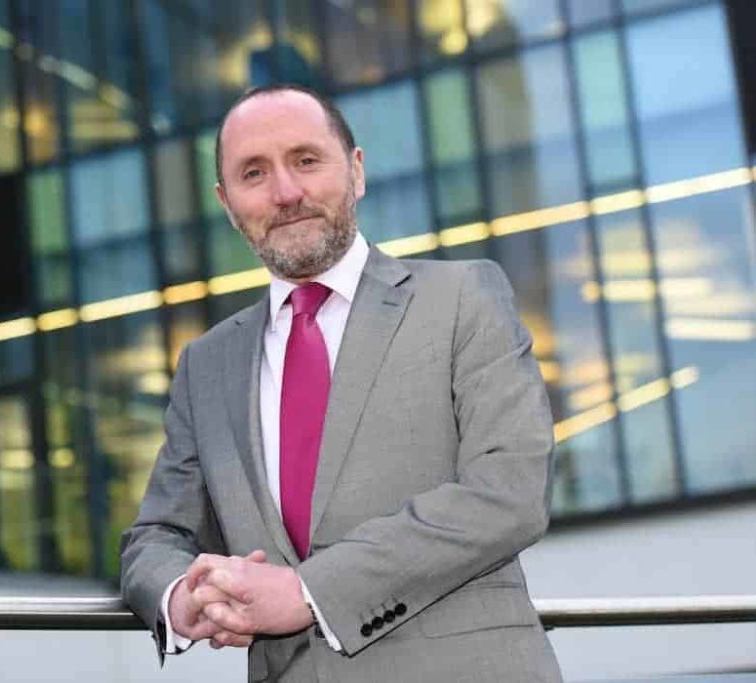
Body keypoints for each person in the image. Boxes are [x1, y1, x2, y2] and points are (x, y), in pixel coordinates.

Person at [120, 83, 563, 682]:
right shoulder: (207, 363)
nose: (286, 192)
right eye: (254, 173)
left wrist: (306, 593)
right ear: (228, 204)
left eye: (306, 160)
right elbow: (157, 534)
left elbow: (509, 489)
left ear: (356, 171)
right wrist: (183, 596)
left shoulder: (463, 298)